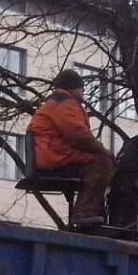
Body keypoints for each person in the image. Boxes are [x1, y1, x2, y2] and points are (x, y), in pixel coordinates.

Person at [27, 69, 115, 227]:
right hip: (56, 158)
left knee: (98, 162)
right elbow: (79, 136)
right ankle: (84, 213)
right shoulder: (66, 104)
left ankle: (92, 214)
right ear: (74, 88)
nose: (84, 92)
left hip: (53, 156)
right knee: (102, 163)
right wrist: (103, 150)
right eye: (82, 88)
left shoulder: (55, 103)